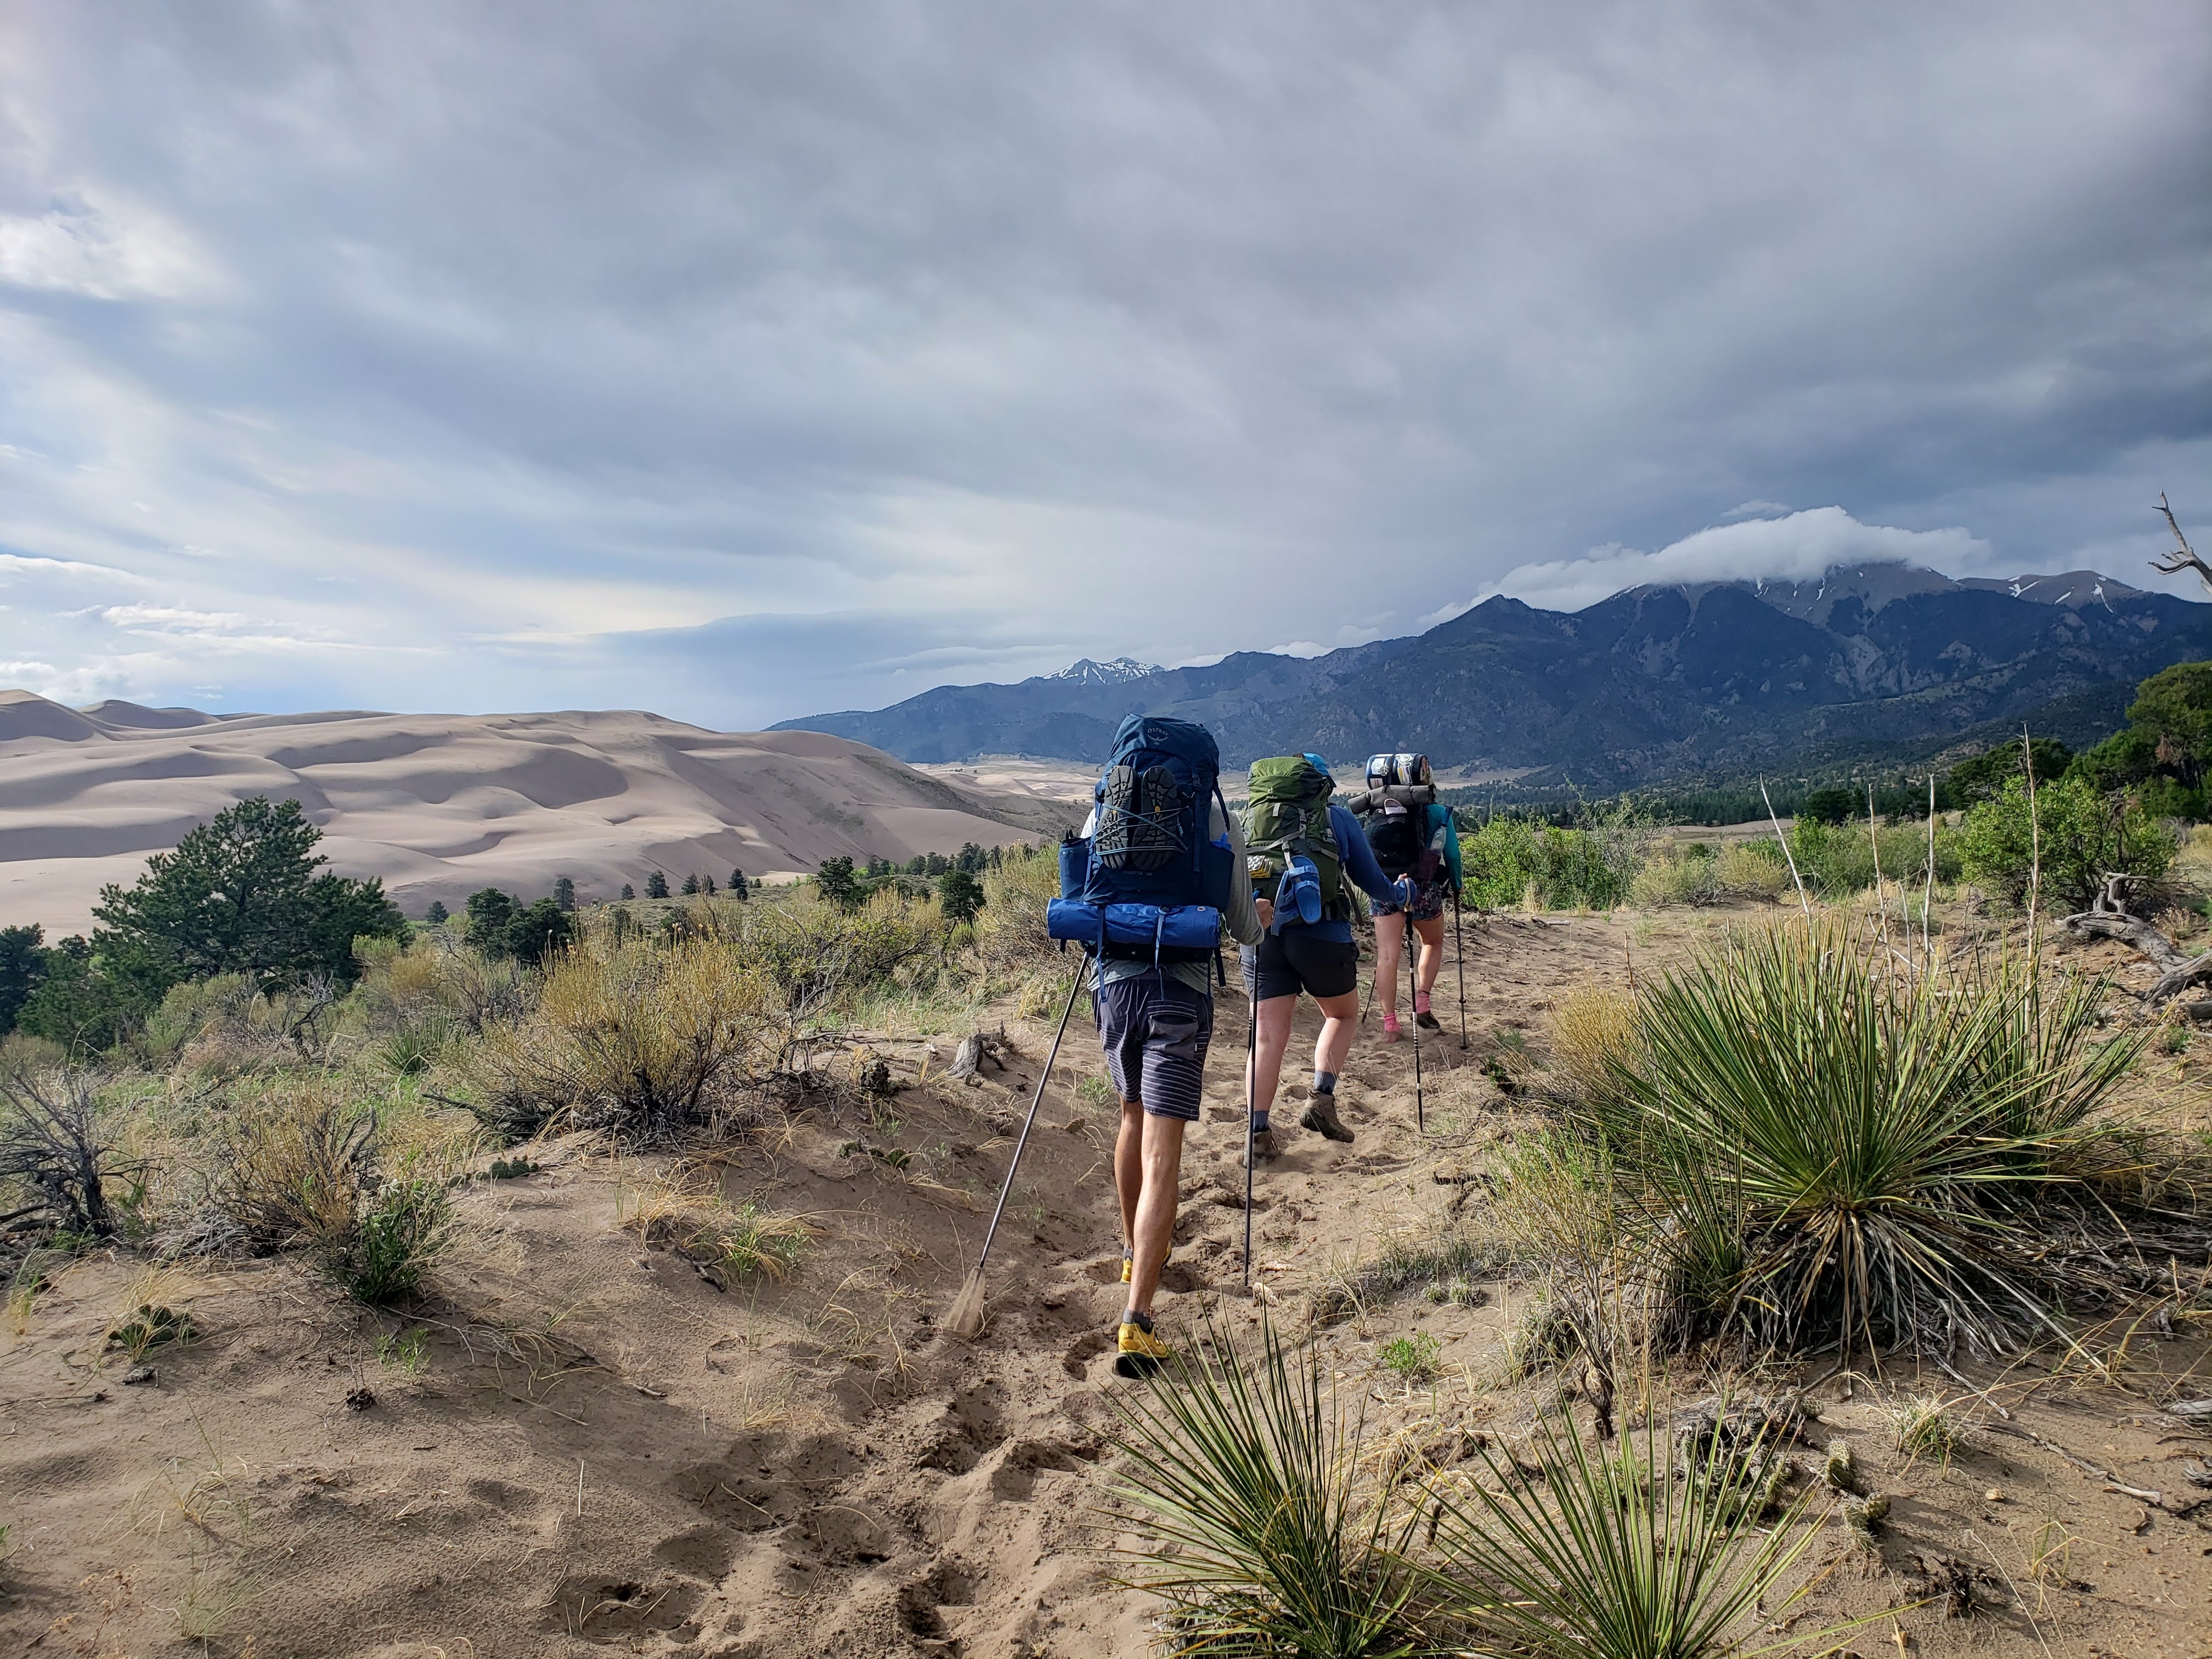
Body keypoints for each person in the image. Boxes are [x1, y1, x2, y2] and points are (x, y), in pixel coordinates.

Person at [1049, 715, 1262, 1376]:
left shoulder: (1105, 808)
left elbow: (1077, 893)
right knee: (1165, 1148)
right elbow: (1246, 927)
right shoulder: (1215, 820)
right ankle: (1138, 1322)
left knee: (1130, 1117)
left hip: (1114, 988)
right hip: (1180, 992)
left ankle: (1130, 1249)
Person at [1239, 753, 1410, 1161]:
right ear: (1321, 786)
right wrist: (1404, 893)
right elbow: (1373, 883)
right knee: (1341, 1015)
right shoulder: (1337, 819)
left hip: (1261, 935)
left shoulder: (1247, 820)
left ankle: (1258, 1135)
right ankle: (1321, 1100)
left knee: (1264, 1036)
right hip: (1322, 933)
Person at [1353, 753, 1463, 1040]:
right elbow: (1451, 855)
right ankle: (1422, 1001)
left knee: (1388, 957)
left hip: (1386, 888)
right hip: (1424, 889)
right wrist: (1458, 885)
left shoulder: (1375, 811)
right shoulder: (1437, 813)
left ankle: (1390, 1024)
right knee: (1433, 941)